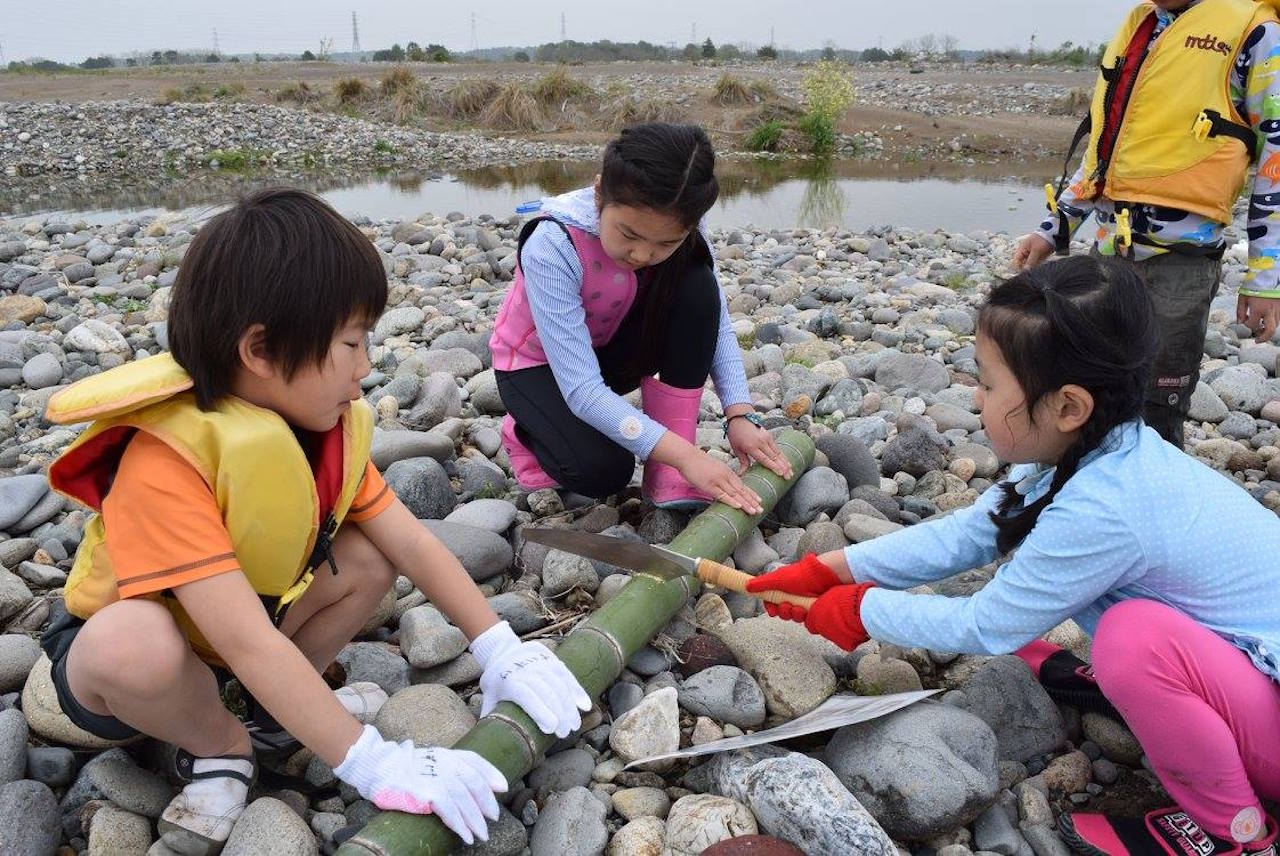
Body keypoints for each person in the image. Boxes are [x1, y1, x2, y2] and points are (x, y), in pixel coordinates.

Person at [40, 188, 591, 852]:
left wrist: (500, 646)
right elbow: (245, 641)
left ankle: (281, 715)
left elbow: (411, 541)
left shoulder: (322, 430)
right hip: (142, 663)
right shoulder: (168, 460)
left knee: (368, 557)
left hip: (234, 640)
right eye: (352, 343)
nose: (365, 370)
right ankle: (221, 742)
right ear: (262, 352)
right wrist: (371, 762)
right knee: (132, 642)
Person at [748, 256, 1280, 856]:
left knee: (1133, 640)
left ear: (1068, 406)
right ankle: (1158, 698)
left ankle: (1238, 834)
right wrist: (835, 569)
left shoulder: (1105, 507)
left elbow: (989, 623)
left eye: (989, 382)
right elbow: (976, 529)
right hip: (1249, 676)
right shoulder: (1105, 446)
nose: (975, 395)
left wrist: (859, 612)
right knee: (1122, 636)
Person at [1013, 0, 1280, 448]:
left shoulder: (1256, 33)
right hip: (1106, 256)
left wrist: (1265, 277)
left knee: (1157, 403)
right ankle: (1082, 495)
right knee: (1088, 391)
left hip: (1180, 267)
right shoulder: (1143, 26)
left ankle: (1151, 502)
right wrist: (1054, 228)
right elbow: (1104, 148)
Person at [489, 122, 792, 512]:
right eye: (629, 234)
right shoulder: (552, 243)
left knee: (697, 283)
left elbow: (713, 322)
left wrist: (740, 413)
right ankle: (526, 430)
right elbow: (582, 390)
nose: (642, 255)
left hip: (609, 346)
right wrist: (687, 456)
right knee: (604, 472)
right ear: (600, 194)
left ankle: (667, 476)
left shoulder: (685, 229)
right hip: (536, 365)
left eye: (665, 242)